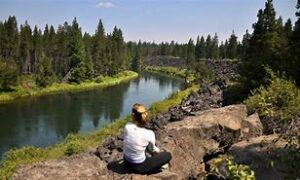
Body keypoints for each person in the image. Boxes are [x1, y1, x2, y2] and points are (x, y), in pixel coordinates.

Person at [123, 103, 172, 175]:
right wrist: (159, 152)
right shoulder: (149, 133)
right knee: (167, 155)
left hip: (126, 162)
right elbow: (152, 149)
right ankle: (160, 167)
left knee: (141, 145)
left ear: (133, 115)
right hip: (140, 167)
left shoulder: (127, 126)